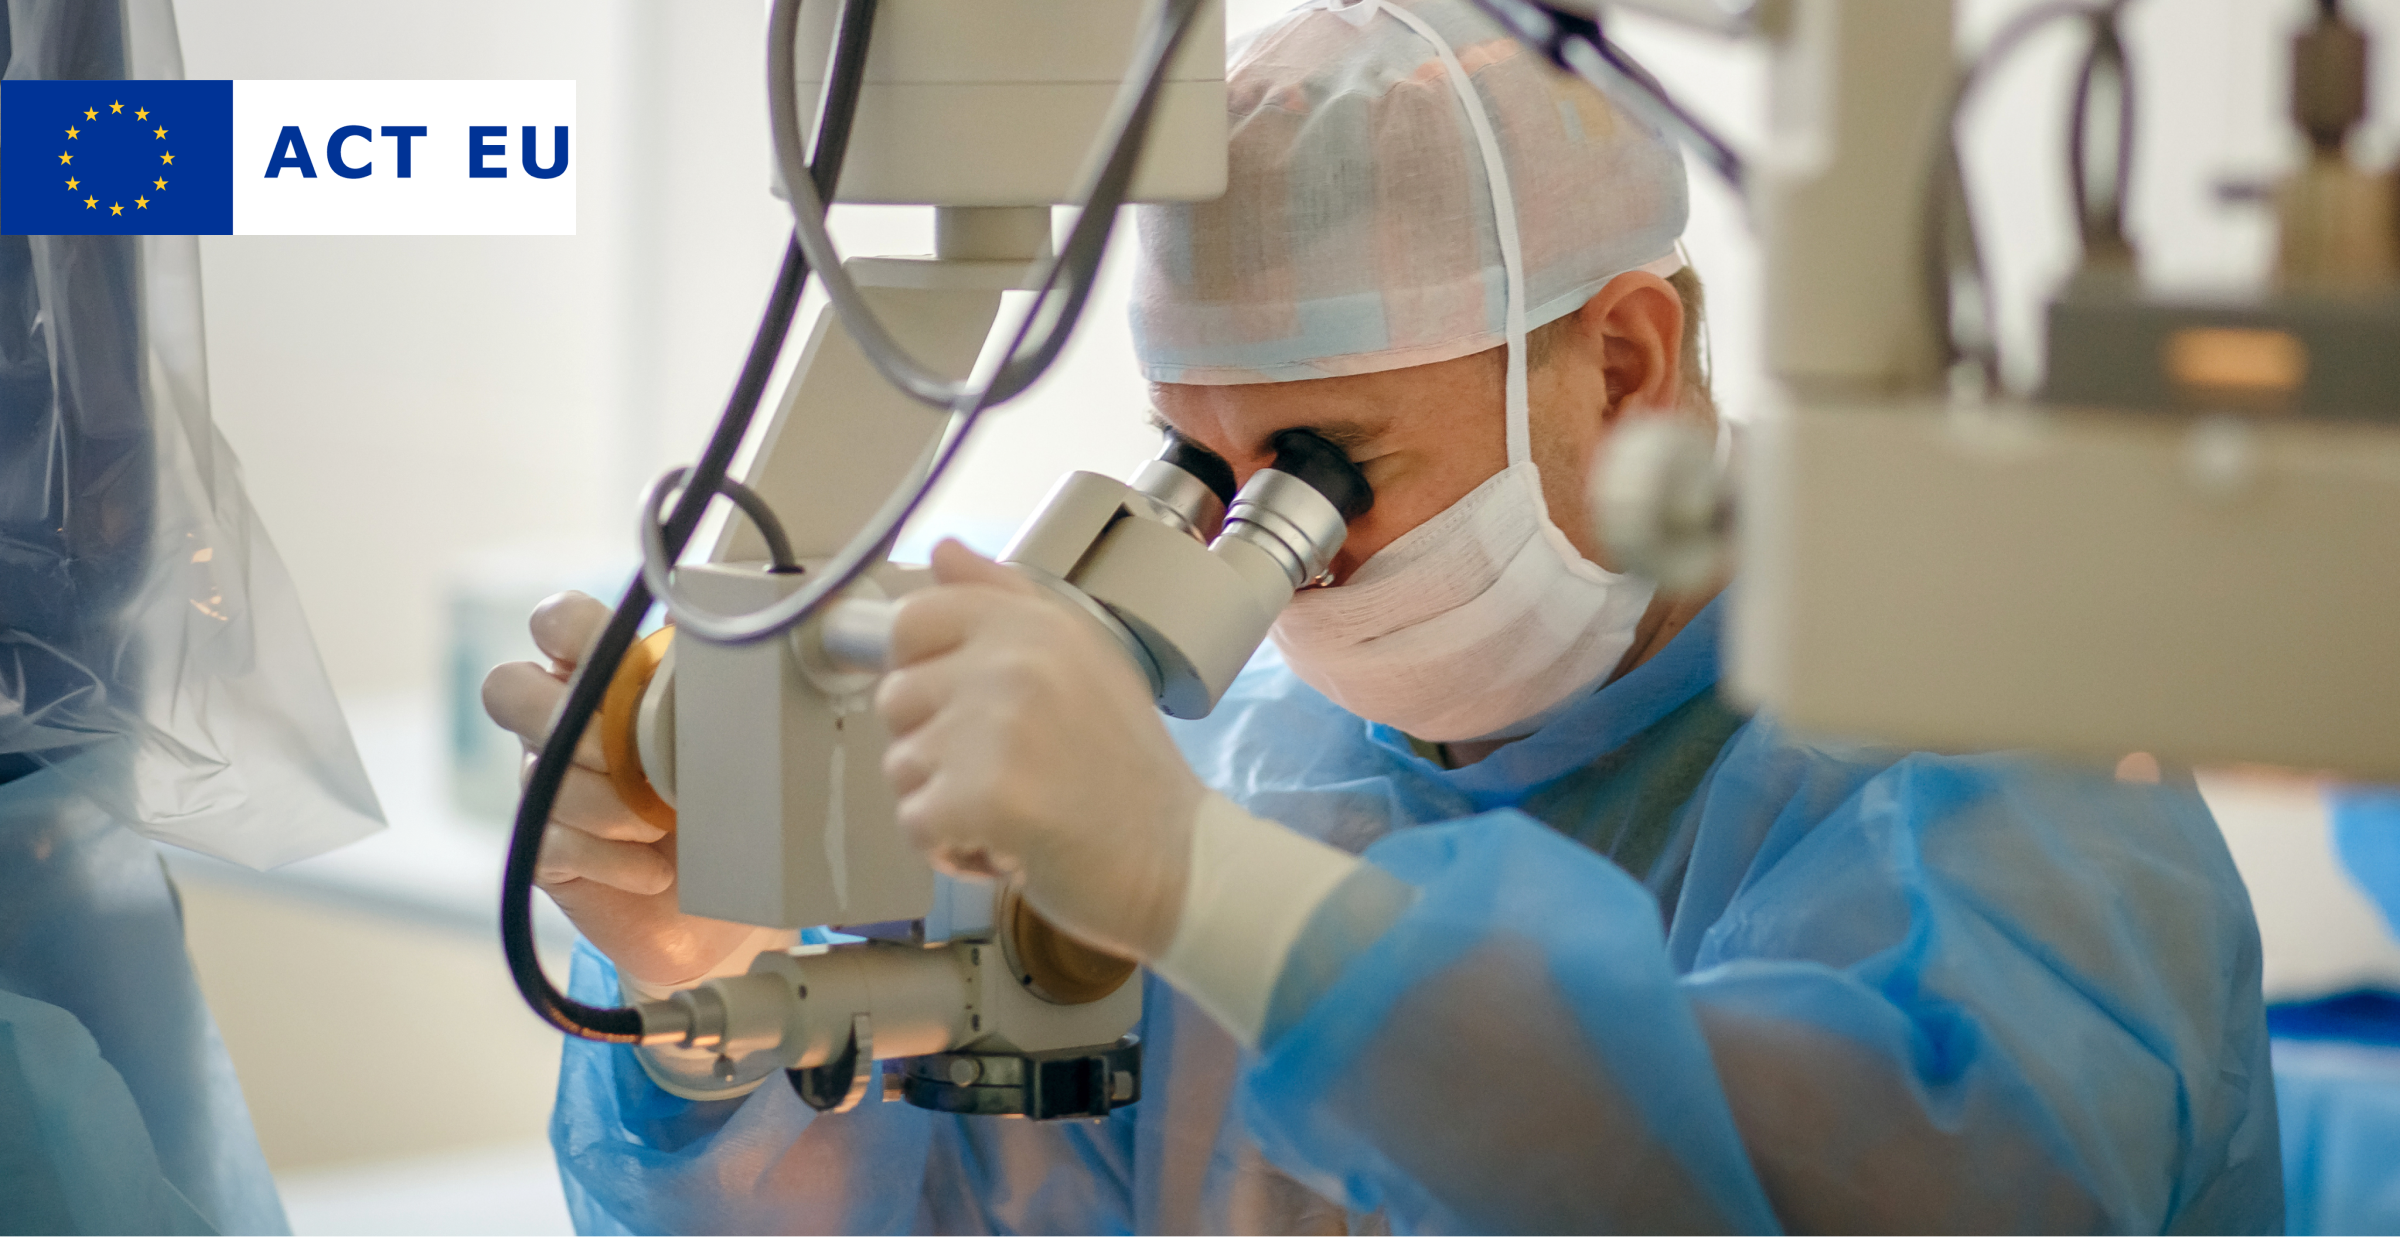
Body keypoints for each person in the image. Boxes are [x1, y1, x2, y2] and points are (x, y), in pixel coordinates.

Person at [485, 1, 2281, 1231]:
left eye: (1326, 472)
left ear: (1626, 364)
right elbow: (949, 1208)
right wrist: (707, 988)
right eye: (1199, 471)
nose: (1272, 566)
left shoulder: (1986, 777)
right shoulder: (1259, 764)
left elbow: (1829, 1190)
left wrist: (1208, 889)